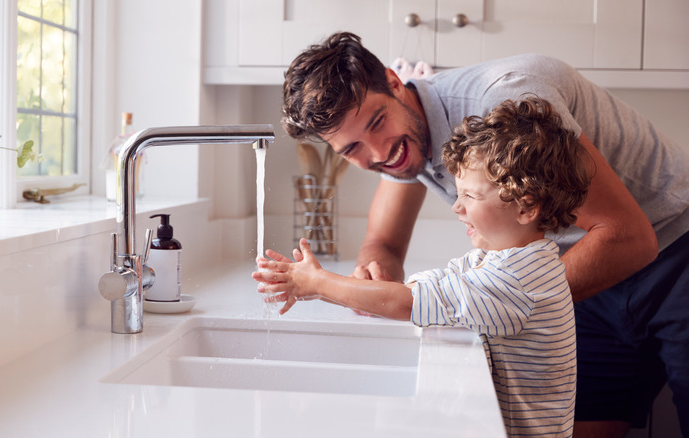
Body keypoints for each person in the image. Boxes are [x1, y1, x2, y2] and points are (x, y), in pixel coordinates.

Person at [280, 32, 689, 438]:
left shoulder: (504, 108)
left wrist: (484, 302)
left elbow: (629, 237)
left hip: (675, 251)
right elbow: (383, 244)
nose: (378, 153)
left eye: (377, 122)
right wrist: (375, 271)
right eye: (352, 149)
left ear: (392, 81)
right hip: (586, 277)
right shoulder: (403, 144)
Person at [254, 96, 590, 437]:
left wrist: (318, 283)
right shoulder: (510, 258)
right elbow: (427, 289)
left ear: (526, 207)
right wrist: (315, 288)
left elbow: (408, 303)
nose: (456, 208)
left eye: (470, 197)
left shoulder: (516, 280)